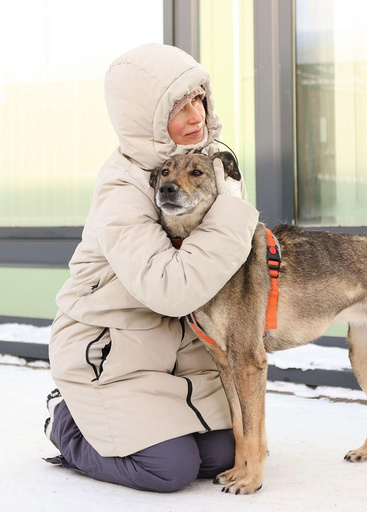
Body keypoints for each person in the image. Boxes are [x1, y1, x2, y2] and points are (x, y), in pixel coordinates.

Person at [43, 43, 259, 492]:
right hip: (111, 351)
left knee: (221, 455)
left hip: (179, 354)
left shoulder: (205, 166)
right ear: (145, 116)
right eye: (179, 107)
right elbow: (171, 289)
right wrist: (233, 212)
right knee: (169, 470)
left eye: (199, 99)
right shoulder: (121, 189)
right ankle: (66, 422)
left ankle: (136, 427)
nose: (197, 116)